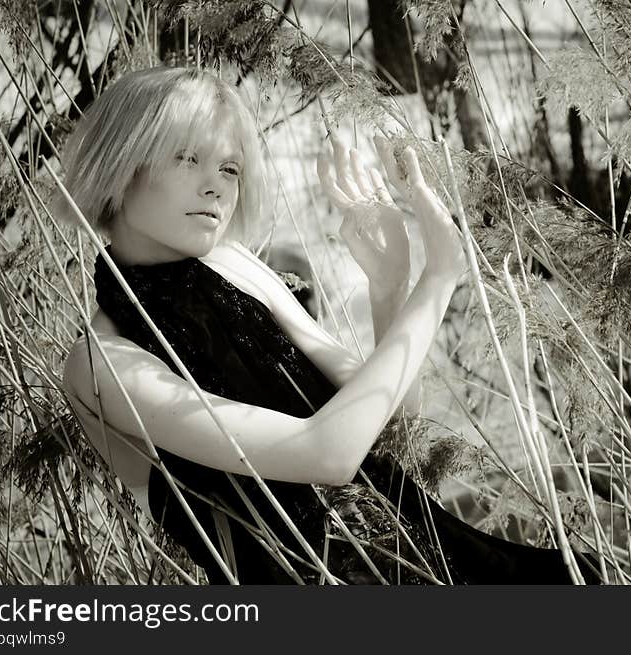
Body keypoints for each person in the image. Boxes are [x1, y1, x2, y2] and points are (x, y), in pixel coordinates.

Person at [59, 66, 600, 585]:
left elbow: (389, 418)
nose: (216, 187)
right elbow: (327, 454)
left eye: (229, 168)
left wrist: (389, 285)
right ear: (120, 164)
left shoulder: (236, 265)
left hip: (428, 555)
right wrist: (439, 279)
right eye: (187, 158)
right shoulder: (102, 362)